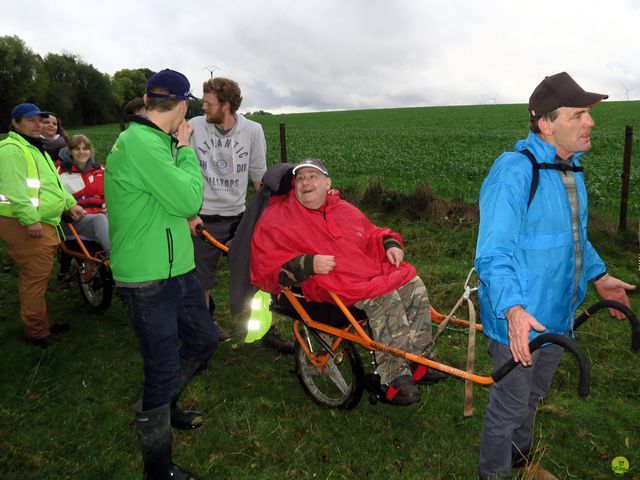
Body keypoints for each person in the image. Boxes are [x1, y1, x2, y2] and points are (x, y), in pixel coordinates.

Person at [474, 72, 636, 480]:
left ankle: (521, 461)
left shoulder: (570, 171)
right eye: (579, 113)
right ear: (547, 124)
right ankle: (493, 474)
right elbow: (493, 254)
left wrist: (599, 277)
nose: (591, 122)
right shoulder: (514, 172)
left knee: (532, 396)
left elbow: (574, 238)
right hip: (521, 321)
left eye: (588, 113)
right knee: (509, 404)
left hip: (557, 315)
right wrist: (511, 309)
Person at [250, 158, 448, 405]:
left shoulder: (342, 208)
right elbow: (265, 267)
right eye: (300, 178)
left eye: (313, 176)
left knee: (413, 285)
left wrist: (390, 244)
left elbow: (372, 232)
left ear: (327, 183)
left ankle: (419, 360)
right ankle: (392, 377)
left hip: (361, 274)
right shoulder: (280, 216)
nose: (306, 183)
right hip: (328, 288)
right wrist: (308, 264)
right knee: (386, 298)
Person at [105, 69, 218, 480]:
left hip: (177, 268)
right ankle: (157, 467)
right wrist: (186, 149)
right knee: (162, 366)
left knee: (204, 338)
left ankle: (165, 404)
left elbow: (165, 201)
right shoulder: (142, 144)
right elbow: (189, 197)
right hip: (147, 277)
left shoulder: (154, 142)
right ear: (183, 105)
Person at [188, 76, 292, 352]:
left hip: (239, 217)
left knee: (257, 277)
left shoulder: (252, 131)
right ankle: (206, 330)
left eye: (209, 103)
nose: (204, 108)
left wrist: (268, 217)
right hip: (202, 218)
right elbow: (182, 172)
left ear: (226, 104)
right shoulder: (193, 128)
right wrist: (187, 213)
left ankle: (263, 329)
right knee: (201, 281)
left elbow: (259, 176)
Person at [0, 103, 85, 347]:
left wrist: (69, 204)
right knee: (35, 278)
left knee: (39, 276)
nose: (39, 124)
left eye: (40, 119)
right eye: (31, 120)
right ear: (16, 123)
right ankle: (37, 333)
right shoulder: (11, 150)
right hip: (24, 223)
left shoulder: (36, 149)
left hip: (42, 221)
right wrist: (31, 220)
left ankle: (43, 322)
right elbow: (13, 190)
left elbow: (52, 185)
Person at [55, 134, 110, 282]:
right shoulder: (59, 172)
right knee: (99, 219)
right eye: (77, 148)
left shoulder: (100, 170)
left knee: (117, 216)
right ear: (69, 151)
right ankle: (117, 257)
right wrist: (66, 209)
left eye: (85, 148)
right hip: (72, 220)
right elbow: (53, 196)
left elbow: (110, 191)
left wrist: (107, 201)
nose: (82, 152)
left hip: (98, 213)